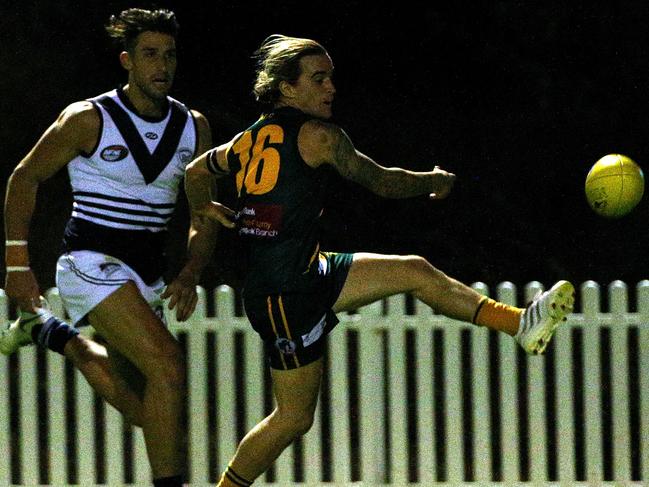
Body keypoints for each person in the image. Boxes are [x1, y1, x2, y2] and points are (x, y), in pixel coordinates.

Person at [184, 34, 576, 487]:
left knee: (414, 270)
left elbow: (196, 172)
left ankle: (521, 324)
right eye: (318, 78)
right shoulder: (320, 135)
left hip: (308, 273)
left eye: (330, 76)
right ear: (288, 88)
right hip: (285, 295)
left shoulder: (245, 141)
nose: (330, 87)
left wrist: (204, 208)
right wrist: (433, 181)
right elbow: (382, 182)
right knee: (292, 418)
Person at [2, 8, 216, 486]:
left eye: (170, 55)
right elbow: (25, 177)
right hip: (88, 262)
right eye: (149, 55)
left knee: (148, 410)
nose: (162, 65)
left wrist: (190, 271)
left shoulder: (194, 128)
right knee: (168, 365)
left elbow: (205, 213)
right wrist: (17, 262)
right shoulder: (88, 118)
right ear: (127, 61)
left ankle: (57, 337)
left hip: (150, 271)